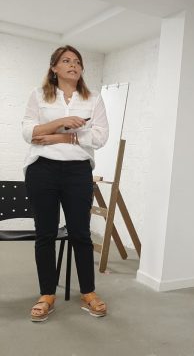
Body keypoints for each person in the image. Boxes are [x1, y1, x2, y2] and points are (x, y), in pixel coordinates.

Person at [21, 45, 109, 322]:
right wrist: (60, 122)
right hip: (42, 169)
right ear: (54, 68)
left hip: (78, 171)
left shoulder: (93, 99)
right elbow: (29, 132)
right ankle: (47, 294)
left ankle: (88, 292)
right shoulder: (39, 95)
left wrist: (59, 137)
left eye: (78, 62)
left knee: (81, 233)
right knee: (45, 234)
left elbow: (100, 137)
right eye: (67, 61)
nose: (73, 65)